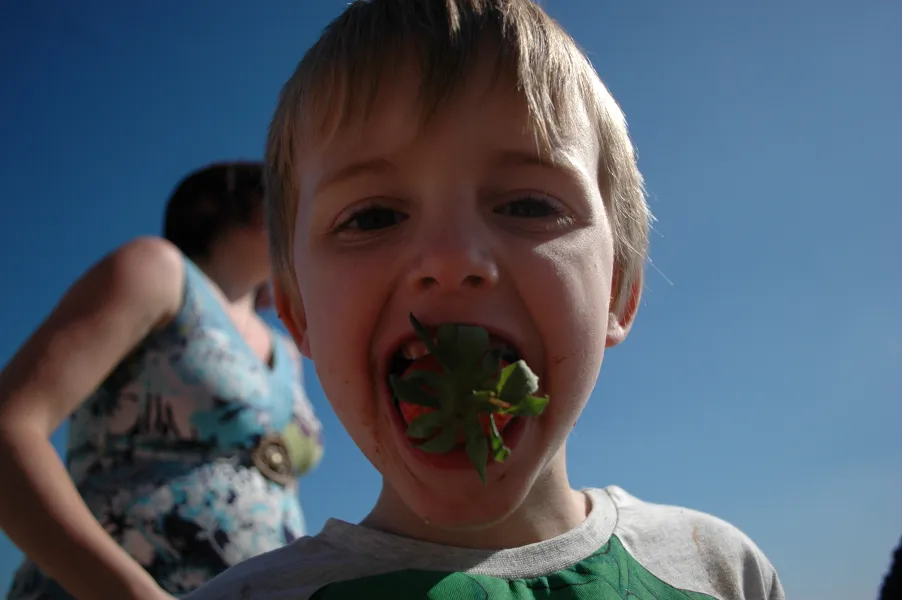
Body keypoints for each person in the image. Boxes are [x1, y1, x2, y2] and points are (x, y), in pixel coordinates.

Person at [185, 2, 784, 599]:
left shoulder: (724, 574)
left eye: (529, 206)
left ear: (618, 292)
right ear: (299, 314)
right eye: (372, 216)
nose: (451, 258)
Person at [0, 161, 324, 600]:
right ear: (226, 206)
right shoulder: (158, 270)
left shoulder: (287, 351)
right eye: (284, 199)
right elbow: (10, 427)